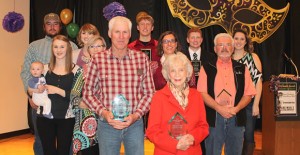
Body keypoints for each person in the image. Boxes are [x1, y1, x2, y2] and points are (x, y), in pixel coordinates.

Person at [82, 16, 155, 155]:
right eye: (117, 32)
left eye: (125, 32)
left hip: (135, 125)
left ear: (130, 34)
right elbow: (88, 93)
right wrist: (104, 112)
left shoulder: (141, 59)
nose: (121, 37)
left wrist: (136, 115)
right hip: (107, 125)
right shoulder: (98, 60)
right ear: (109, 34)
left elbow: (150, 93)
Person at [20, 12, 78, 155]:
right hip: (41, 104)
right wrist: (30, 95)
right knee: (42, 142)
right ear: (44, 26)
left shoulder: (72, 46)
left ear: (61, 26)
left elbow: (77, 76)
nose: (52, 27)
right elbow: (26, 72)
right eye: (49, 24)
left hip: (66, 108)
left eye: (55, 23)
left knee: (66, 144)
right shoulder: (34, 46)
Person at [197, 33, 256, 155]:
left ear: (233, 48)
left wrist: (236, 108)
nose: (224, 48)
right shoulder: (206, 68)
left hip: (236, 117)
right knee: (212, 152)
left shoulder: (242, 68)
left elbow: (248, 94)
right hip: (214, 118)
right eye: (220, 45)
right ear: (215, 49)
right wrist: (219, 108)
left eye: (228, 45)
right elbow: (202, 93)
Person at [27, 35, 82, 155]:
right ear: (52, 49)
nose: (59, 50)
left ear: (68, 48)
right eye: (56, 47)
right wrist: (32, 92)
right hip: (44, 119)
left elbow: (77, 97)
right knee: (48, 151)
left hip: (67, 119)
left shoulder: (77, 70)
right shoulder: (44, 69)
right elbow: (30, 88)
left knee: (64, 152)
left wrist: (57, 90)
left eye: (62, 46)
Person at [146, 52, 209, 155]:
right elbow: (152, 131)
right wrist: (175, 144)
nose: (177, 74)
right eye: (173, 71)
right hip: (166, 152)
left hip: (192, 150)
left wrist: (193, 137)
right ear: (168, 74)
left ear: (187, 72)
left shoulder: (197, 96)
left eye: (181, 70)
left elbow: (203, 126)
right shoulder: (158, 97)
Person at [72, 35, 106, 155]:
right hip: (88, 121)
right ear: (88, 49)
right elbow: (73, 97)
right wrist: (81, 103)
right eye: (93, 46)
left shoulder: (112, 69)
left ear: (105, 48)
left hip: (107, 121)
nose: (96, 49)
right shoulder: (82, 70)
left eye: (99, 46)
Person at [232, 29, 263, 155]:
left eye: (242, 39)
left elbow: (259, 82)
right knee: (234, 135)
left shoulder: (253, 57)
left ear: (246, 42)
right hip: (232, 103)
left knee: (249, 135)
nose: (238, 41)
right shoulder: (227, 58)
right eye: (236, 38)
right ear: (232, 40)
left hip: (249, 103)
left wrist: (256, 104)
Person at [128, 11, 159, 133]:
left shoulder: (160, 46)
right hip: (137, 92)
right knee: (137, 130)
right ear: (137, 27)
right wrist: (143, 70)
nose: (145, 27)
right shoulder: (130, 47)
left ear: (152, 28)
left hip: (157, 90)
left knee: (155, 129)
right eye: (142, 24)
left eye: (148, 24)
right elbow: (127, 69)